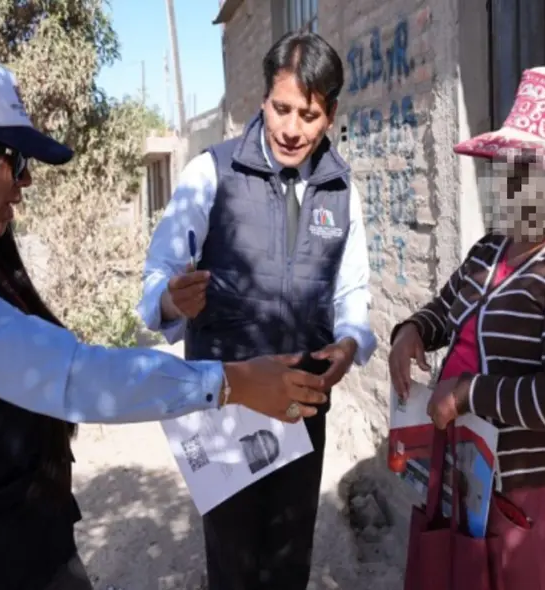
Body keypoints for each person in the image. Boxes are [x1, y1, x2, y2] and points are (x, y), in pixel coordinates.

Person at [0, 55, 330, 590]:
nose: (25, 183)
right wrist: (232, 382)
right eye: (15, 161)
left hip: (7, 550)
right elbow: (73, 377)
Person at [137, 31, 376, 590]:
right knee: (234, 560)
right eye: (282, 108)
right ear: (263, 101)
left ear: (331, 113)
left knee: (289, 558)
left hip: (303, 403)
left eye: (310, 114)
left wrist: (349, 343)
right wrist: (173, 297)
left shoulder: (342, 192)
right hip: (226, 402)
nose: (293, 129)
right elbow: (156, 278)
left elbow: (352, 293)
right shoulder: (209, 174)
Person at [388, 67, 545, 589]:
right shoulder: (491, 248)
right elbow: (448, 307)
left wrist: (467, 394)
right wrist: (412, 330)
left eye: (532, 169)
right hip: (472, 470)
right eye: (507, 167)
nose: (514, 183)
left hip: (534, 493)